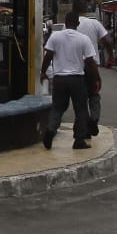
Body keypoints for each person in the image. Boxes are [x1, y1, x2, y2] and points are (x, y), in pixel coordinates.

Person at [41, 12, 100, 149]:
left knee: (57, 108)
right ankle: (79, 140)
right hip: (77, 79)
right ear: (77, 24)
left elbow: (48, 55)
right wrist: (97, 78)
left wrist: (43, 72)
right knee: (80, 110)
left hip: (59, 79)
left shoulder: (55, 37)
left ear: (65, 22)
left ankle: (50, 131)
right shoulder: (84, 39)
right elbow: (90, 62)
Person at [74, 11, 109, 131]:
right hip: (92, 66)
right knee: (94, 95)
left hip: (77, 68)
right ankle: (94, 119)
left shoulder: (71, 24)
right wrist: (111, 56)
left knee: (81, 99)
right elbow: (107, 41)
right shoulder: (95, 23)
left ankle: (84, 128)